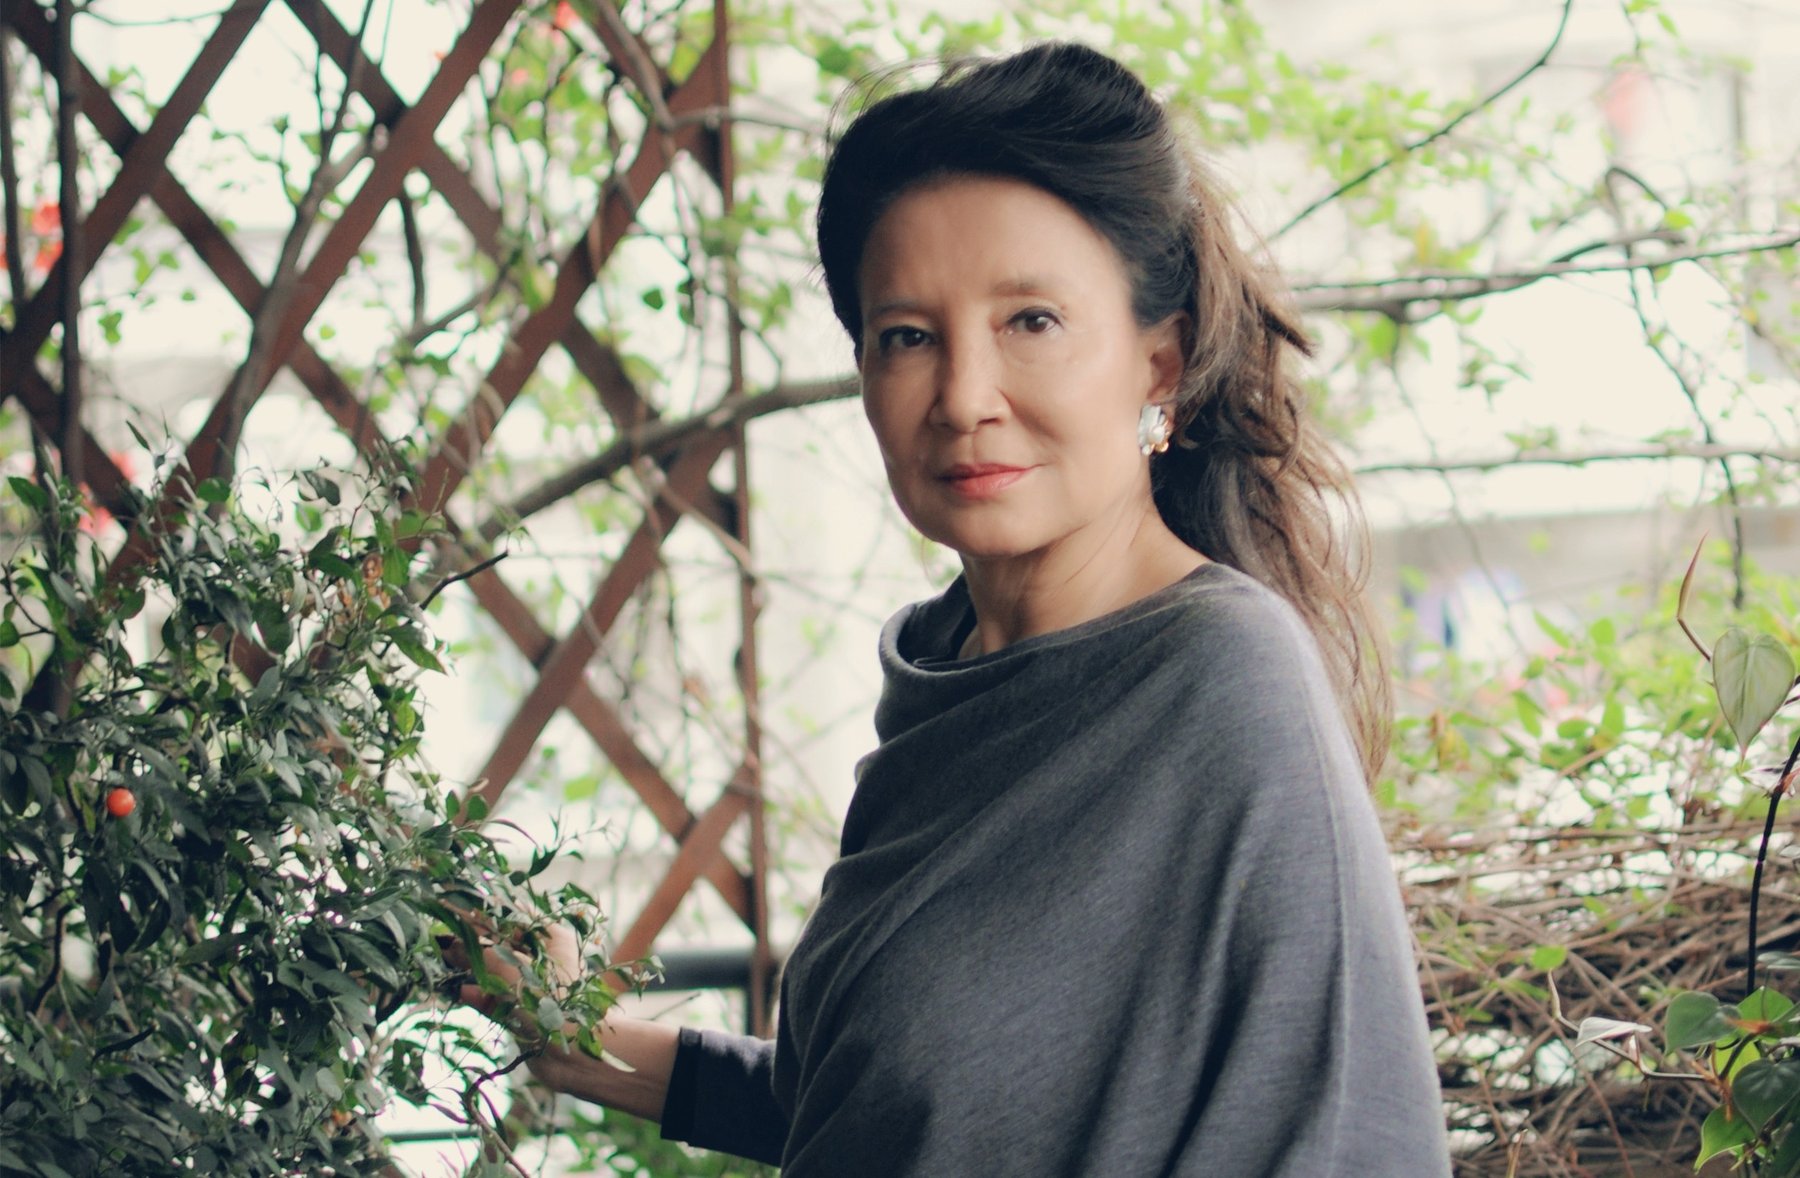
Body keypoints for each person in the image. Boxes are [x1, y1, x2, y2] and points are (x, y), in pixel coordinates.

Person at [478, 41, 1451, 1176]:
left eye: (1030, 321)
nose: (963, 397)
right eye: (907, 336)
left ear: (1159, 363)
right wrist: (571, 1035)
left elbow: (1344, 1138)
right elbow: (893, 1104)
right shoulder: (946, 676)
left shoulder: (1222, 681)